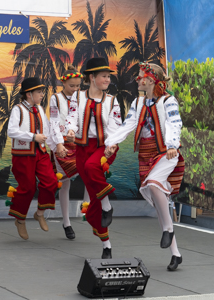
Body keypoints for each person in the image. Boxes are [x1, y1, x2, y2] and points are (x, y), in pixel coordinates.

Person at [105, 62, 185, 271]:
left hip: (166, 152)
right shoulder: (138, 103)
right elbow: (128, 125)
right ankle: (175, 253)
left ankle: (167, 230)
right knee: (157, 196)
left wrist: (172, 145)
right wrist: (112, 143)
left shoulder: (168, 100)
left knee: (153, 183)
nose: (137, 80)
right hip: (146, 153)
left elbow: (174, 123)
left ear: (150, 80)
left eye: (141, 77)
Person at [65, 57, 122, 259]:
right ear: (92, 77)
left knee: (91, 167)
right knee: (93, 202)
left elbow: (115, 129)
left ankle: (108, 206)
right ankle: (106, 245)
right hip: (82, 148)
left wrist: (110, 147)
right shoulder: (77, 98)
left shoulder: (112, 101)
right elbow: (71, 118)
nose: (107, 80)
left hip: (104, 147)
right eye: (104, 76)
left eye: (108, 76)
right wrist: (71, 130)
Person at [6, 77, 58, 240]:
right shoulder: (18, 109)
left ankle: (39, 213)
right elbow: (11, 131)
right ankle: (20, 219)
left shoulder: (40, 109)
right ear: (29, 94)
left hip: (40, 153)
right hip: (23, 155)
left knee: (51, 181)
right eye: (39, 92)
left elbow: (47, 132)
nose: (42, 94)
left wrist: (57, 146)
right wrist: (32, 136)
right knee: (27, 187)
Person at [48, 65, 90, 240]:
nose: (75, 89)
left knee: (90, 171)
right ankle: (66, 222)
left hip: (80, 141)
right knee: (64, 182)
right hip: (63, 143)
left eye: (78, 86)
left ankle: (87, 208)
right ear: (63, 82)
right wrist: (58, 143)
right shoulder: (55, 99)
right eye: (72, 86)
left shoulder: (83, 98)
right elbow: (54, 121)